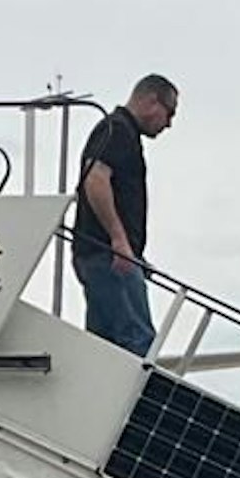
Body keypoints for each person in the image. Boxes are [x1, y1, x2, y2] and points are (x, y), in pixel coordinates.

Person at [73, 74, 177, 355]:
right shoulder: (117, 130)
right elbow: (95, 178)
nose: (168, 123)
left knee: (103, 347)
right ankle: (139, 400)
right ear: (151, 100)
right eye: (169, 112)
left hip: (102, 252)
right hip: (108, 254)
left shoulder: (120, 132)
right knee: (138, 343)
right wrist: (120, 241)